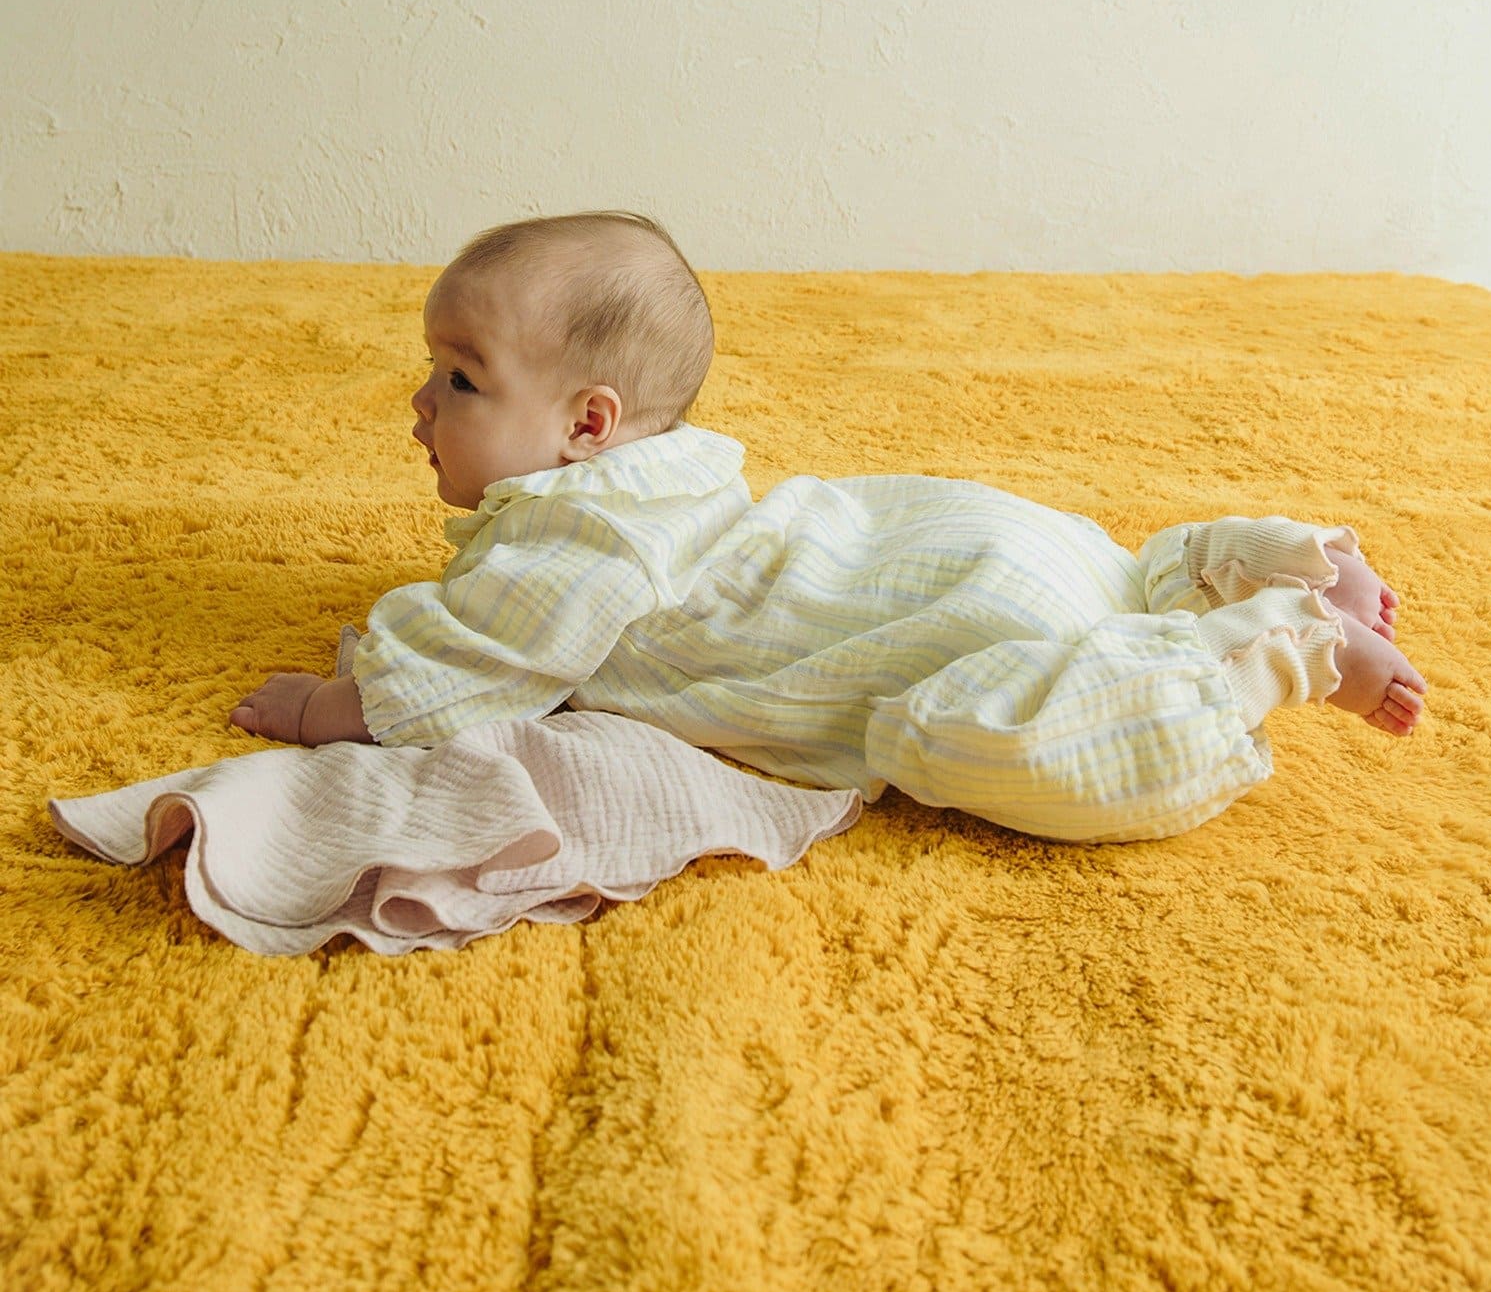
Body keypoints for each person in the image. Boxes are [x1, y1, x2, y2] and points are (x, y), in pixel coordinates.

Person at [229, 211, 1426, 843]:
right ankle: (1257, 563)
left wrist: (327, 708)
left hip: (969, 624)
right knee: (1119, 582)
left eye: (461, 379)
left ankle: (1282, 648)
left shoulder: (578, 544)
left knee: (989, 744)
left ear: (590, 424)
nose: (421, 403)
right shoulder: (660, 472)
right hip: (955, 546)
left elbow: (465, 677)